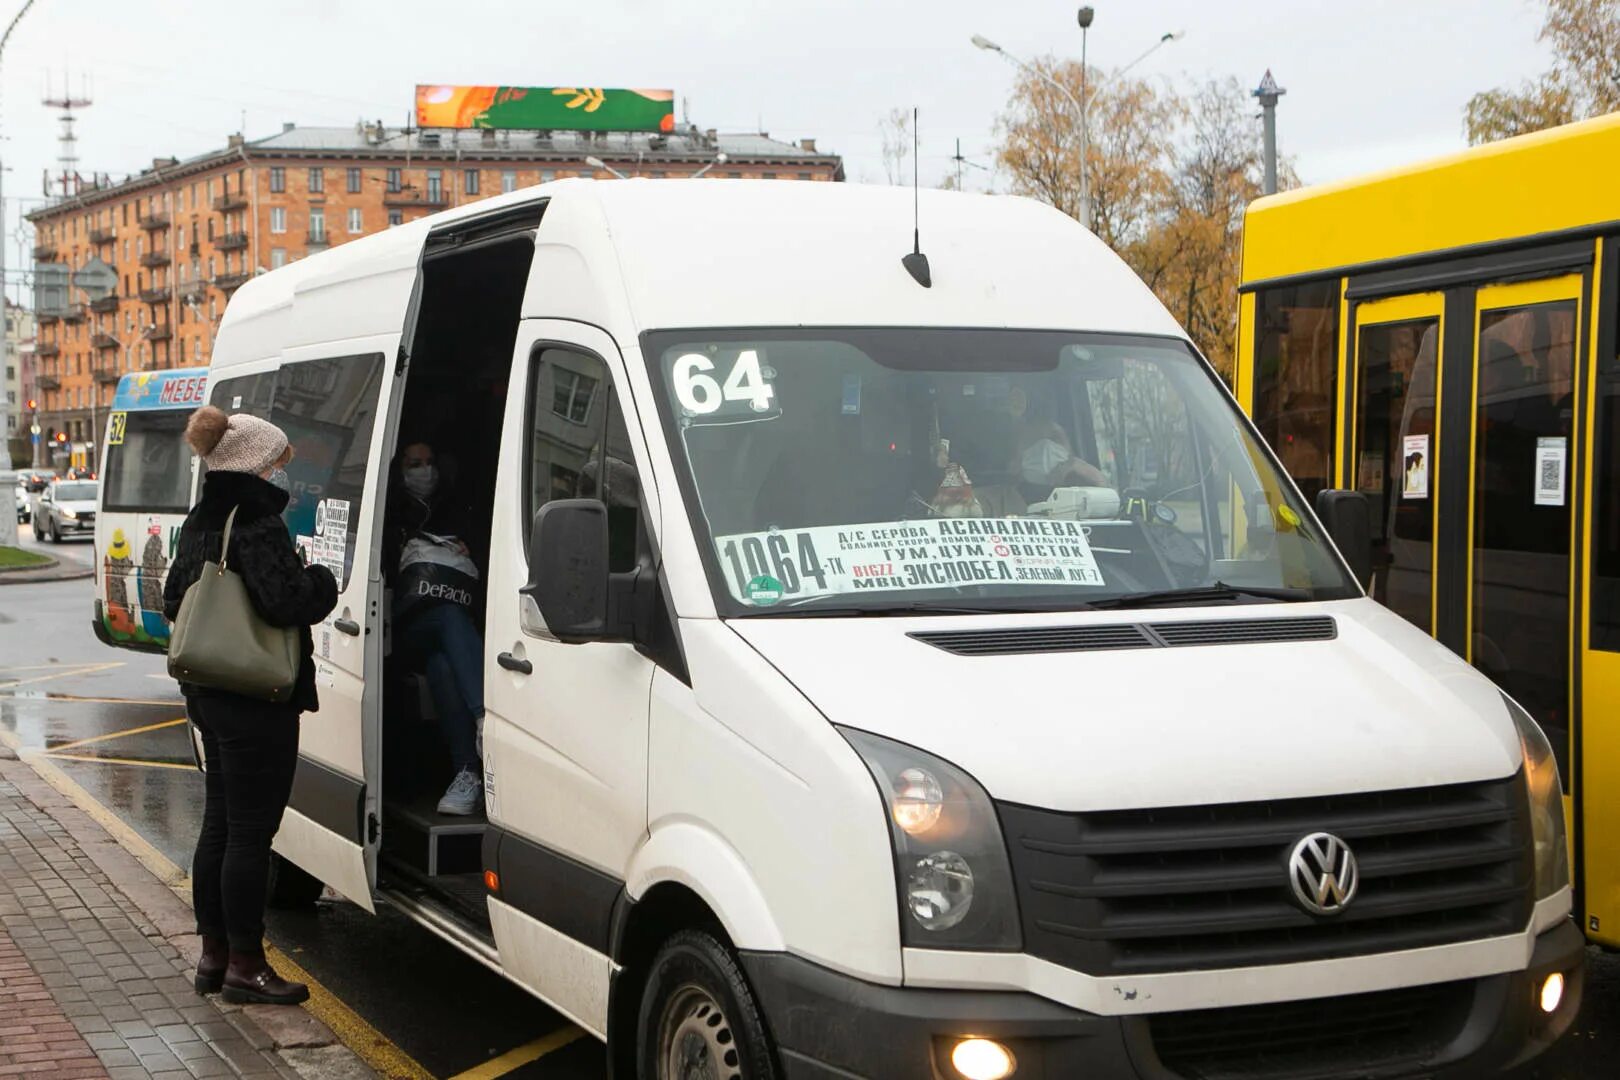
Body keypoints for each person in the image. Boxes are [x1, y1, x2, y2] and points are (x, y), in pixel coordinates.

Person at [163, 406, 338, 1006]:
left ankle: (213, 956)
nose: (281, 475)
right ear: (256, 465)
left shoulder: (199, 521)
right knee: (250, 836)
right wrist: (322, 581)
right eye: (277, 463)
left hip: (207, 693)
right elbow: (285, 603)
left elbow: (171, 599)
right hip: (253, 699)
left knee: (220, 824)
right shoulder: (258, 525)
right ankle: (246, 964)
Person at [389, 441, 486, 816]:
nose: (424, 471)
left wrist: (465, 547)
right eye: (415, 464)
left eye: (430, 462)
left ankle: (467, 773)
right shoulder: (391, 510)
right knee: (449, 619)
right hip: (400, 627)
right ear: (400, 468)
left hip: (445, 628)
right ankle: (484, 720)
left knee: (444, 665)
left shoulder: (453, 507)